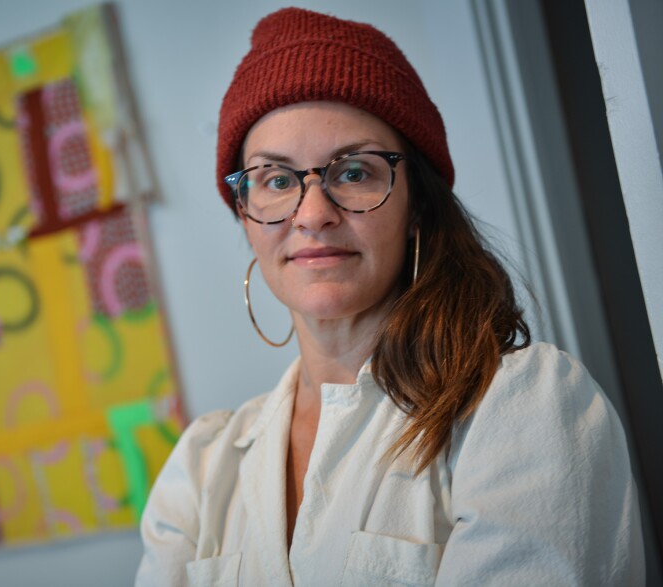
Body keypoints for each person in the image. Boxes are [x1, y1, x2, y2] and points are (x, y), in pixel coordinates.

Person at [135, 7, 644, 586]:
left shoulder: (524, 406)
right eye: (276, 180)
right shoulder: (200, 469)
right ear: (244, 216)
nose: (313, 214)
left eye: (353, 172)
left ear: (417, 205)